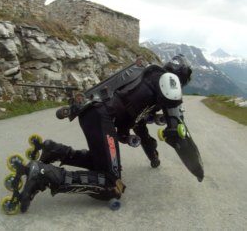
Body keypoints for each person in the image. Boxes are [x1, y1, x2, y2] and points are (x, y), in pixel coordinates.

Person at [19, 54, 204, 212]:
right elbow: (175, 122)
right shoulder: (166, 80)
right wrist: (194, 163)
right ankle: (43, 174)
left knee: (104, 166)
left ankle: (55, 151)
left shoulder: (150, 83)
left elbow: (142, 131)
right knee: (112, 186)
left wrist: (153, 157)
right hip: (103, 116)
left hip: (95, 114)